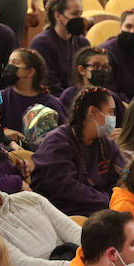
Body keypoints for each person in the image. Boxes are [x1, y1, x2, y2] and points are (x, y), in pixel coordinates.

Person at [30, 86, 124, 216]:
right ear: (92, 112)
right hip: (60, 213)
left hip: (101, 209)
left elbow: (120, 179)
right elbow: (66, 189)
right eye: (111, 112)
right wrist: (108, 201)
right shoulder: (56, 142)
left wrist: (119, 199)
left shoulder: (107, 144)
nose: (114, 118)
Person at [29, 0, 87, 96]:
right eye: (74, 14)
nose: (79, 18)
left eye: (80, 14)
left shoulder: (82, 42)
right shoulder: (42, 43)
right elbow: (48, 84)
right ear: (57, 15)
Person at [0, 47, 66, 133]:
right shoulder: (1, 98)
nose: (9, 67)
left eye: (16, 63)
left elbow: (64, 133)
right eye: (9, 62)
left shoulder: (51, 103)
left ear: (30, 72)